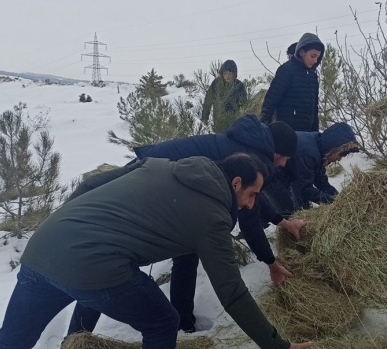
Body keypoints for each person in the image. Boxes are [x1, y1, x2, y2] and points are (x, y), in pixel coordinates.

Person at [0, 154, 312, 349]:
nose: (252, 205)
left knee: (9, 344)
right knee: (163, 323)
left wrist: (70, 226)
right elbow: (232, 293)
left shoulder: (160, 165)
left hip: (43, 247)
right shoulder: (212, 216)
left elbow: (92, 183)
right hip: (94, 264)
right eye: (252, 195)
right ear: (236, 183)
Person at [68, 115, 304, 334]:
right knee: (108, 258)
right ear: (277, 152)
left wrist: (281, 222)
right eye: (286, 159)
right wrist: (272, 263)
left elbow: (254, 197)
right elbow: (250, 219)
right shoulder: (254, 158)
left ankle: (181, 321)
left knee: (185, 251)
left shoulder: (250, 145)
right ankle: (79, 337)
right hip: (153, 182)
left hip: (150, 170)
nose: (283, 165)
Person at [266, 123, 359, 214]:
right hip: (273, 175)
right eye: (341, 154)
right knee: (289, 212)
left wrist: (339, 199)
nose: (339, 159)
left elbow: (320, 181)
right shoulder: (309, 153)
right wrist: (331, 202)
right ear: (334, 148)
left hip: (291, 174)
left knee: (303, 208)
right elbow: (305, 188)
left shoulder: (320, 147)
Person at [261, 33, 324, 132]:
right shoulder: (286, 70)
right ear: (302, 52)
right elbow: (271, 100)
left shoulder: (313, 76)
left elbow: (314, 109)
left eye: (318, 57)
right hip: (286, 134)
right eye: (312, 56)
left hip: (308, 135)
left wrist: (315, 134)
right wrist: (264, 127)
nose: (315, 60)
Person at [201, 59, 248, 132]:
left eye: (230, 73)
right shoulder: (216, 83)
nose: (227, 76)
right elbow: (208, 99)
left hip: (234, 121)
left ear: (234, 74)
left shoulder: (239, 86)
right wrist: (205, 117)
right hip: (218, 120)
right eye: (225, 73)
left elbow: (244, 104)